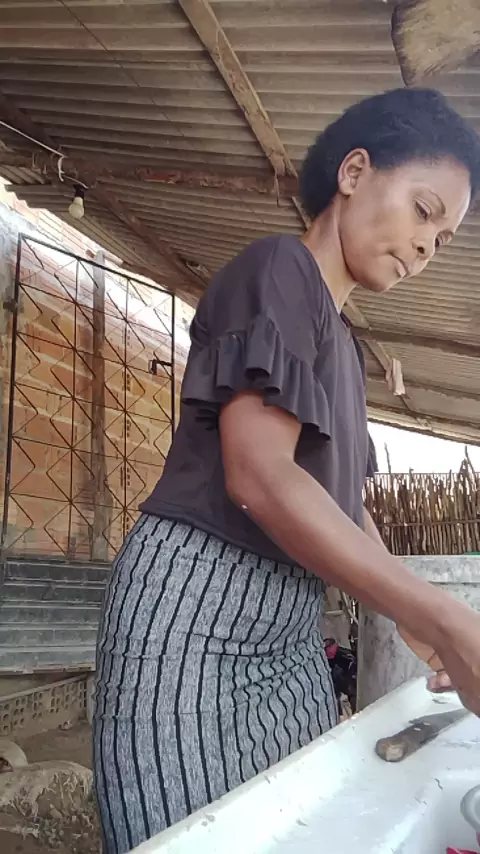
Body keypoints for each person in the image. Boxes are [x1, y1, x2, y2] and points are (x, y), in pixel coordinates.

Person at [93, 87, 480, 854]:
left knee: (296, 825)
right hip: (198, 618)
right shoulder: (279, 269)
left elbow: (345, 505)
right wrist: (444, 614)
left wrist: (406, 616)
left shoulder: (346, 349)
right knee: (199, 835)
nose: (425, 247)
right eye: (423, 210)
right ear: (355, 172)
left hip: (289, 634)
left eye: (442, 239)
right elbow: (261, 477)